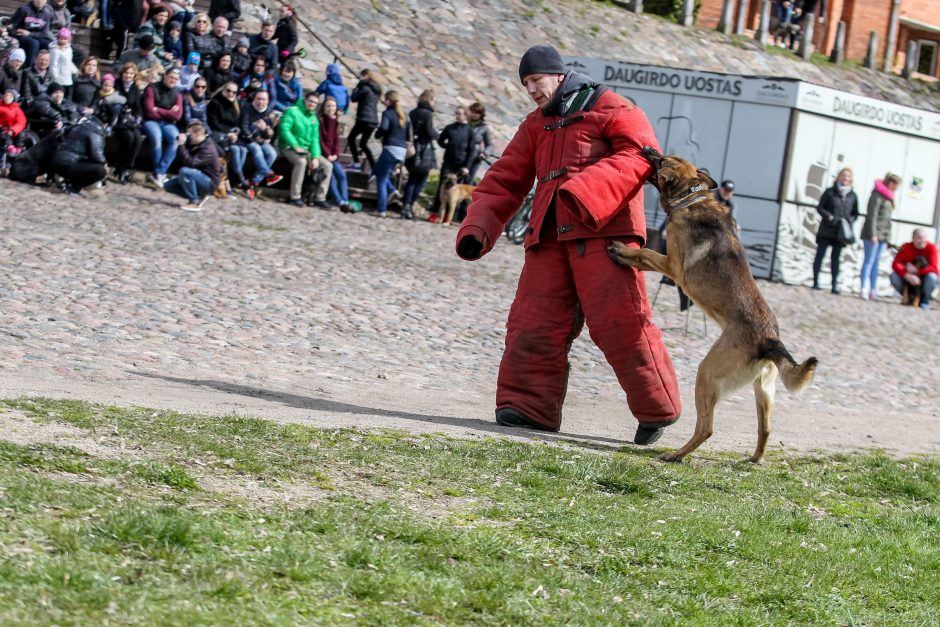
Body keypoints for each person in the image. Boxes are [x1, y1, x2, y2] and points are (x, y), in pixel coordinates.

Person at [454, 45, 681, 443]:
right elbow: (506, 179)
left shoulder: (615, 108)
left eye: (535, 81)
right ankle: (527, 408)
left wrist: (585, 191)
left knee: (622, 324)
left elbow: (643, 156)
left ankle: (657, 410)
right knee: (532, 322)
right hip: (548, 240)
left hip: (606, 235)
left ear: (557, 75)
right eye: (524, 84)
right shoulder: (535, 124)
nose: (531, 90)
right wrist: (479, 226)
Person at [810, 168, 857, 294]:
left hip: (840, 232)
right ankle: (815, 282)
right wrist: (828, 216)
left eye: (848, 177)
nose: (845, 178)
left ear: (851, 179)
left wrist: (848, 220)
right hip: (827, 229)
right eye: (843, 176)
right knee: (820, 255)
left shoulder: (852, 195)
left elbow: (855, 213)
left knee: (836, 259)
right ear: (839, 177)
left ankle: (834, 285)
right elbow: (820, 207)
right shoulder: (830, 192)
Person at [163, 119, 222, 211]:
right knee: (168, 186)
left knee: (185, 171)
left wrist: (182, 145)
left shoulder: (208, 148)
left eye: (189, 134)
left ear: (197, 134)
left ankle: (194, 202)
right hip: (198, 176)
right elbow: (182, 160)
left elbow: (191, 164)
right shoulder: (197, 144)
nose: (188, 137)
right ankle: (200, 196)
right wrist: (182, 145)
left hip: (209, 182)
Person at [859, 173, 901, 300]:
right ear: (890, 183)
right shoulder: (877, 195)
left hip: (883, 235)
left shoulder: (889, 197)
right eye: (896, 185)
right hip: (873, 234)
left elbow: (886, 219)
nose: (896, 188)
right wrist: (873, 234)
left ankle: (873, 289)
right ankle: (863, 288)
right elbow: (872, 215)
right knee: (868, 261)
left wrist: (887, 237)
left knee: (876, 263)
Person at [278, 90, 322, 207]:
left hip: (306, 150)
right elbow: (284, 130)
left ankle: (319, 198)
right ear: (305, 100)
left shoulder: (314, 118)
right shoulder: (293, 111)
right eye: (310, 101)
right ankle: (295, 196)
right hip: (288, 147)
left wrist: (315, 157)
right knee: (301, 162)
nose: (312, 104)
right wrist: (295, 146)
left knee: (328, 165)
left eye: (315, 103)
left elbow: (315, 139)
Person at [141, 66, 183, 187]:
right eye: (171, 77)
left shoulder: (177, 94)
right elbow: (149, 111)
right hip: (150, 121)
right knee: (156, 137)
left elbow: (178, 115)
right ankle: (159, 173)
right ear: (165, 76)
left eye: (176, 79)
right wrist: (169, 112)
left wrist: (158, 110)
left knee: (175, 140)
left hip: (168, 123)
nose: (173, 80)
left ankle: (159, 172)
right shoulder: (152, 89)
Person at [431, 106, 475, 217]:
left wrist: (467, 167)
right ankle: (436, 212)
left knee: (456, 191)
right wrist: (448, 145)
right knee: (442, 186)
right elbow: (440, 140)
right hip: (448, 162)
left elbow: (472, 150)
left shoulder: (470, 131)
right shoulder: (450, 127)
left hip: (461, 164)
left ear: (465, 115)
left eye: (460, 114)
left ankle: (449, 216)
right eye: (456, 113)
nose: (457, 116)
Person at [372, 89, 410, 218]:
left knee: (381, 179)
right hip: (402, 150)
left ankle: (381, 209)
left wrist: (378, 135)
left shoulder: (387, 113)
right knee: (378, 170)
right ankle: (393, 191)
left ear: (389, 101)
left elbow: (384, 127)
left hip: (390, 148)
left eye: (385, 100)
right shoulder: (404, 115)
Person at [238, 88, 282, 198]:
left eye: (263, 99)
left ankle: (253, 182)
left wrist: (264, 130)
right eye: (259, 99)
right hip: (247, 140)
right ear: (254, 99)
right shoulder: (247, 108)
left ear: (267, 101)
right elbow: (244, 128)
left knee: (272, 153)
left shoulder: (269, 112)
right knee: (257, 150)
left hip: (261, 140)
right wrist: (256, 139)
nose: (260, 102)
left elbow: (271, 132)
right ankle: (269, 173)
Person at [50, 111, 107, 194]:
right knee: (100, 170)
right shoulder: (96, 131)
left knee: (87, 164)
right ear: (105, 124)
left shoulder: (80, 125)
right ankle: (73, 187)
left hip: (58, 160)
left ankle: (67, 182)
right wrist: (104, 163)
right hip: (69, 163)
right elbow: (96, 154)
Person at [402, 88, 437, 219]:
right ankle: (409, 205)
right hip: (423, 151)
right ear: (429, 100)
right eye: (434, 100)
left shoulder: (413, 112)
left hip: (412, 149)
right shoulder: (427, 114)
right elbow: (429, 132)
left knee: (412, 178)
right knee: (421, 180)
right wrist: (437, 135)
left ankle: (405, 205)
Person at [207, 80, 247, 189]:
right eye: (228, 91)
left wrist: (235, 133)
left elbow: (237, 123)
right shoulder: (215, 103)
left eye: (234, 92)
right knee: (235, 150)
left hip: (231, 135)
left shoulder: (236, 105)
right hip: (217, 133)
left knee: (243, 150)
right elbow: (213, 123)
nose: (231, 94)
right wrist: (228, 133)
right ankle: (240, 178)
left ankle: (235, 179)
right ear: (223, 90)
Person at [890, 229, 939, 310]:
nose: (922, 240)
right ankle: (907, 298)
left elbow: (934, 268)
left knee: (932, 277)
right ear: (913, 238)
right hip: (908, 278)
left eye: (924, 238)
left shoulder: (932, 248)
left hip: (924, 278)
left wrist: (917, 271)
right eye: (919, 238)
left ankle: (924, 300)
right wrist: (906, 274)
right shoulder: (906, 247)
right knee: (894, 276)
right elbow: (896, 264)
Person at [112, 62, 143, 183]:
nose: (128, 75)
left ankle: (126, 167)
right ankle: (120, 169)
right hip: (118, 119)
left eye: (131, 73)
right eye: (126, 73)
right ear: (122, 73)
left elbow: (138, 106)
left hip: (130, 120)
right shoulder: (116, 84)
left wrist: (138, 116)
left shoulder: (135, 88)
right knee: (128, 138)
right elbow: (113, 101)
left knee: (138, 138)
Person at [319, 95, 348, 211]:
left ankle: (345, 200)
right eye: (328, 106)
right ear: (324, 107)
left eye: (333, 106)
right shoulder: (321, 121)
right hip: (323, 154)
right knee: (331, 177)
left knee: (342, 175)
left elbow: (336, 140)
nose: (331, 108)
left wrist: (336, 154)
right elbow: (320, 139)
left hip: (333, 155)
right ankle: (339, 201)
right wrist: (328, 154)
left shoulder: (335, 121)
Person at [347, 68, 379, 172]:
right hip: (373, 121)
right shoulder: (375, 89)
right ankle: (374, 167)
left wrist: (357, 86)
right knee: (363, 144)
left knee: (351, 139)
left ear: (364, 76)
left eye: (361, 76)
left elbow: (353, 98)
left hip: (363, 119)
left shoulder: (364, 87)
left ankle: (356, 163)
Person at [9, 0, 55, 67]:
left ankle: (45, 69)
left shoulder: (47, 13)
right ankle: (28, 69)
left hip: (34, 36)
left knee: (49, 44)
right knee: (33, 43)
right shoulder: (24, 10)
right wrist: (16, 32)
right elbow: (11, 27)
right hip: (20, 36)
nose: (40, 1)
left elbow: (44, 33)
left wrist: (29, 34)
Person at [467, 101, 492, 182]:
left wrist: (485, 153)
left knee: (467, 182)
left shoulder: (484, 128)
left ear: (481, 115)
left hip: (475, 158)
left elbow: (489, 145)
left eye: (476, 113)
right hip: (460, 156)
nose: (473, 114)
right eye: (472, 112)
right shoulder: (464, 123)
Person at [47, 27, 75, 95]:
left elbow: (69, 61)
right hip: (59, 78)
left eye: (65, 39)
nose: (62, 41)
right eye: (61, 38)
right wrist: (55, 77)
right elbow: (53, 65)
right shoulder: (55, 50)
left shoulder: (69, 49)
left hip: (67, 76)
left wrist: (74, 70)